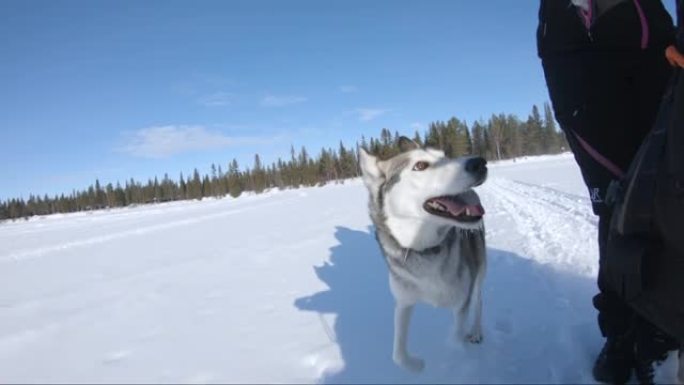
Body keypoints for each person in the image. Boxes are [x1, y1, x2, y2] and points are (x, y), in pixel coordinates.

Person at [537, 0, 683, 383]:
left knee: (666, 188)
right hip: (573, 45)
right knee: (615, 200)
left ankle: (660, 329)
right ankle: (621, 329)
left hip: (649, 37)